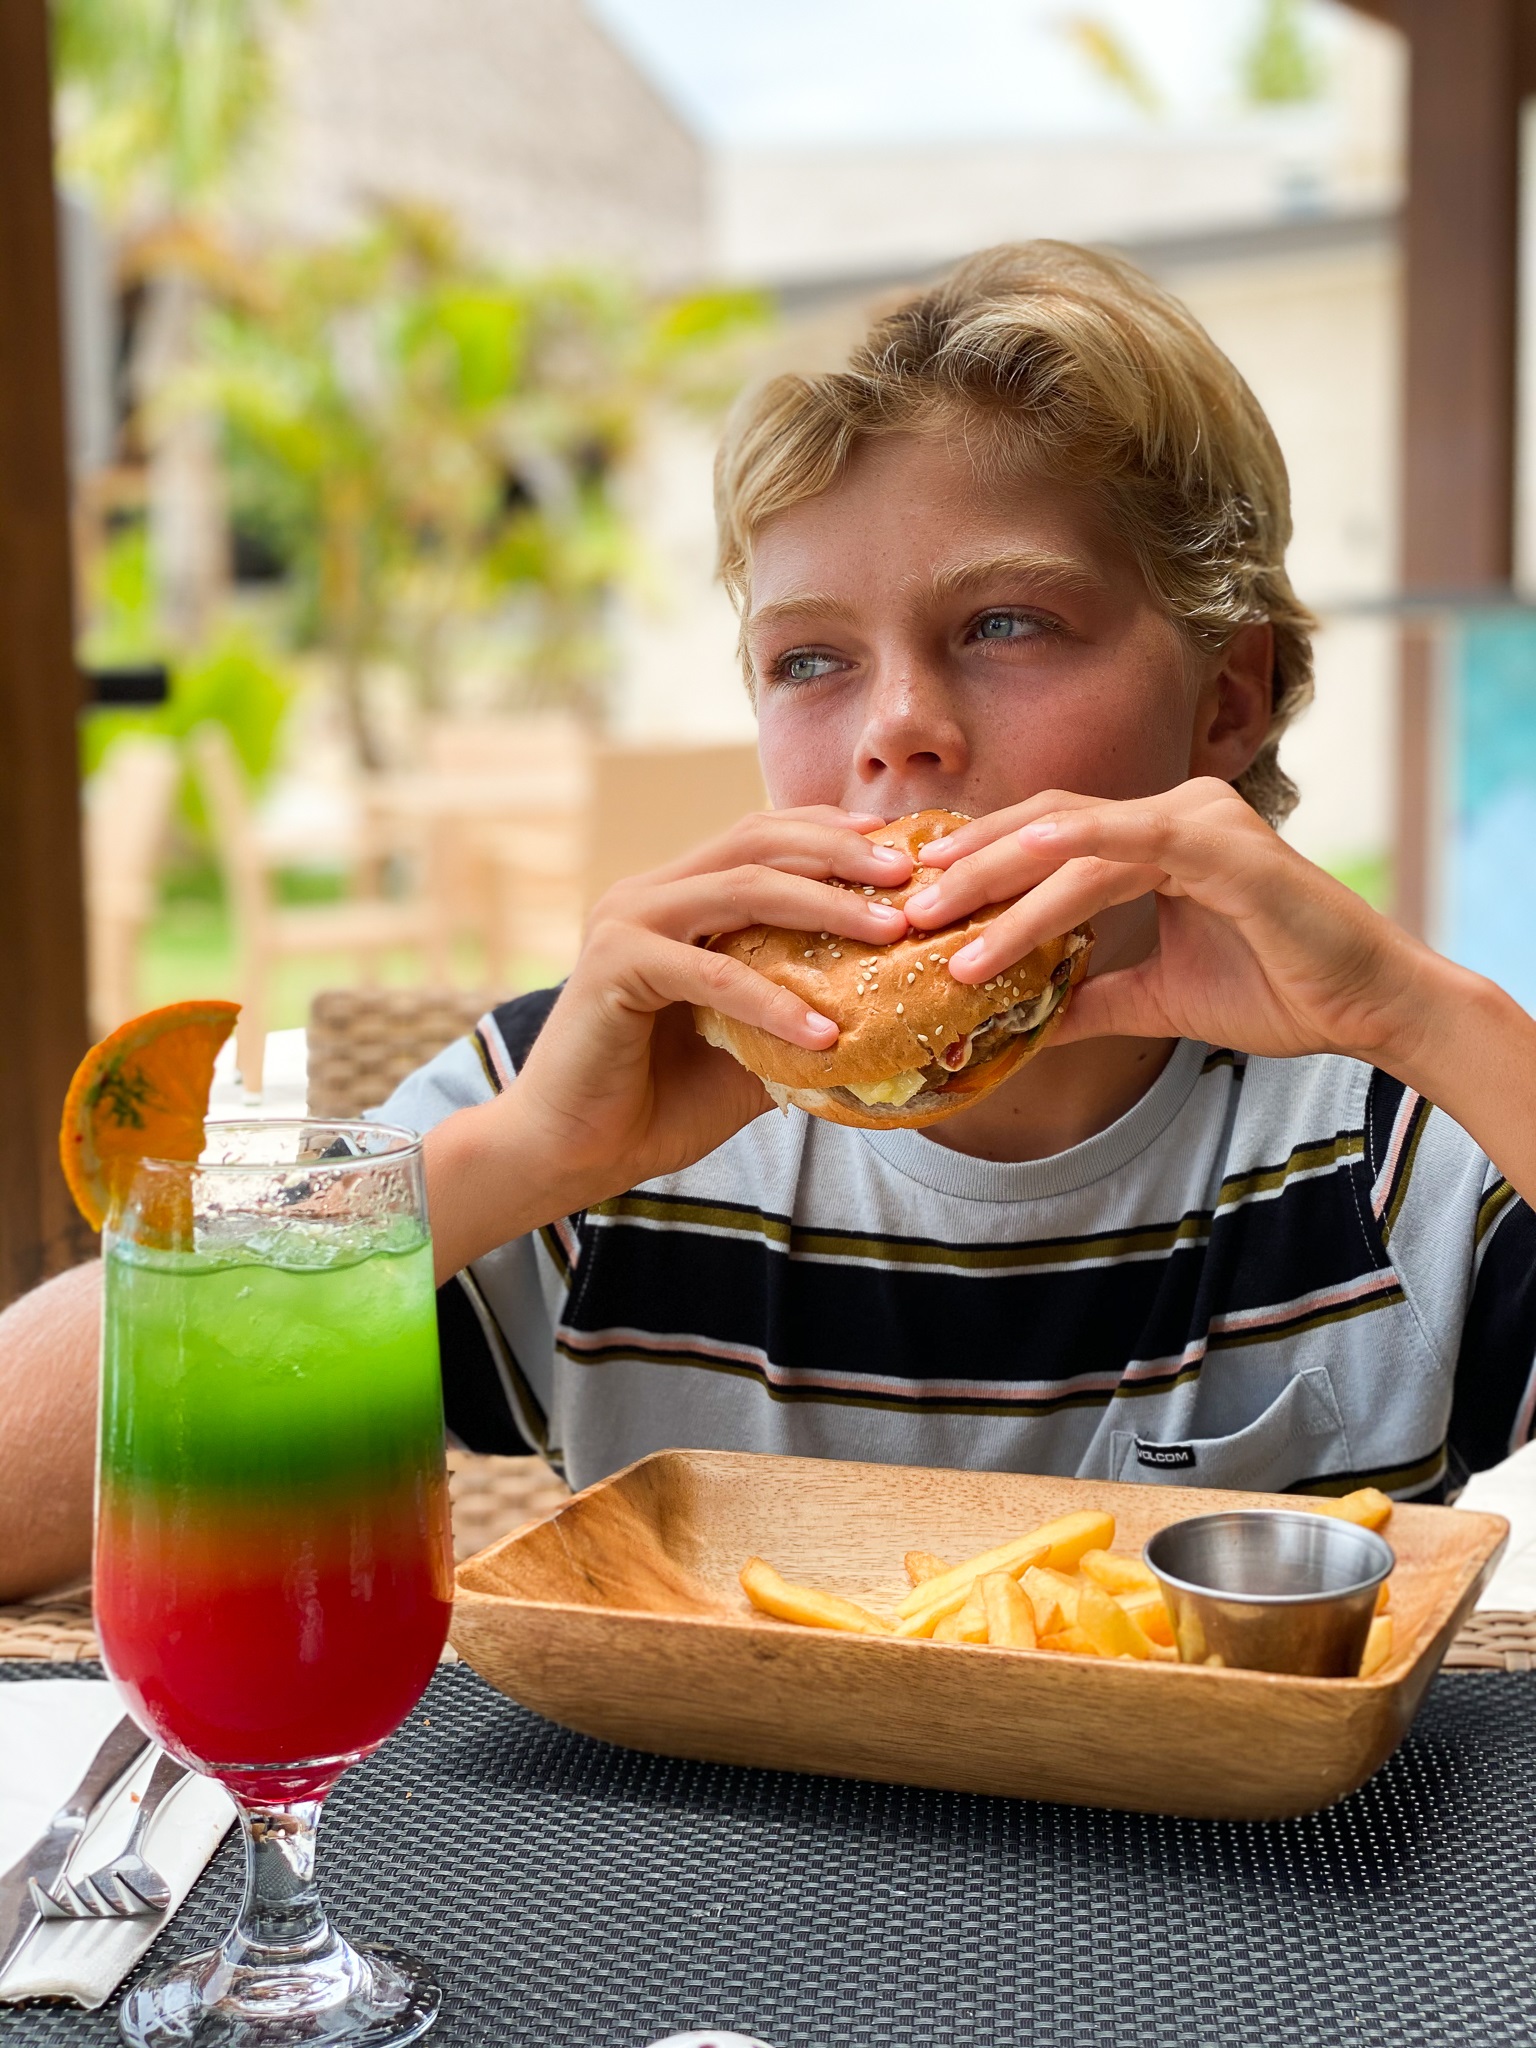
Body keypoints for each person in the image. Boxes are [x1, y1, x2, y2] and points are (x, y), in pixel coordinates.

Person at [5, 239, 1536, 1603]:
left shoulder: (1393, 1132)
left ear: (1224, 703)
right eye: (810, 661)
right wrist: (517, 1161)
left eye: (1006, 624)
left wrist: (1431, 1020)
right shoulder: (592, 1097)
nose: (900, 731)